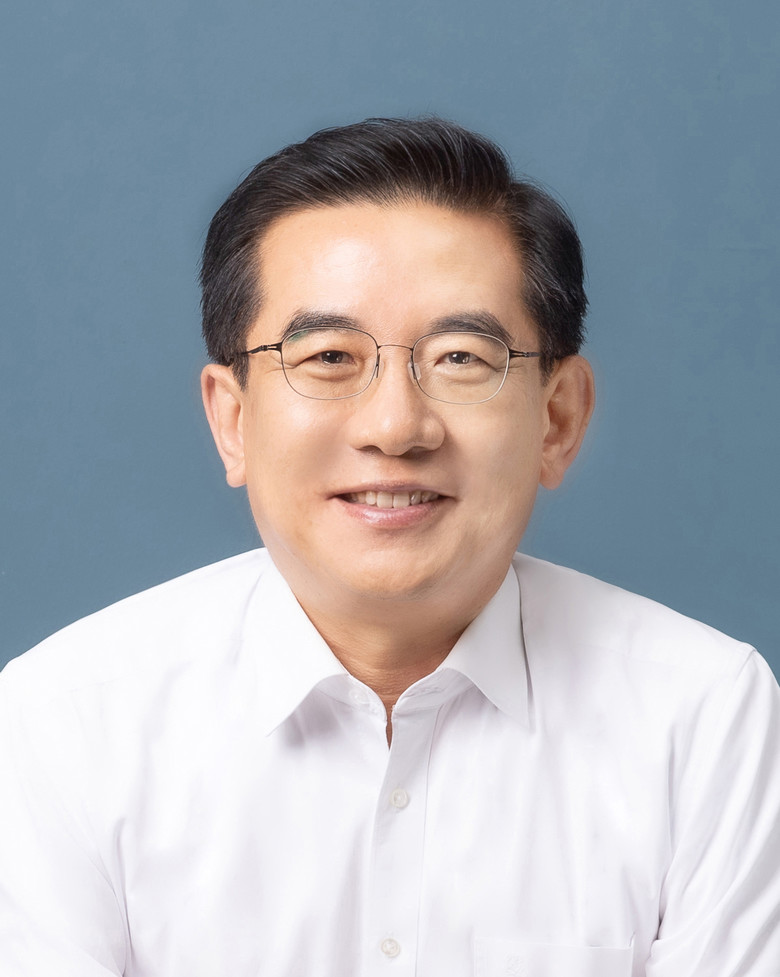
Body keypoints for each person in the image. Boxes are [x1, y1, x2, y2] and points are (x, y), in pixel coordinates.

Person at [0, 118, 778, 977]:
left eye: (461, 357)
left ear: (558, 418)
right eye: (329, 356)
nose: (396, 426)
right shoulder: (65, 724)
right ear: (233, 419)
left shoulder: (704, 719)